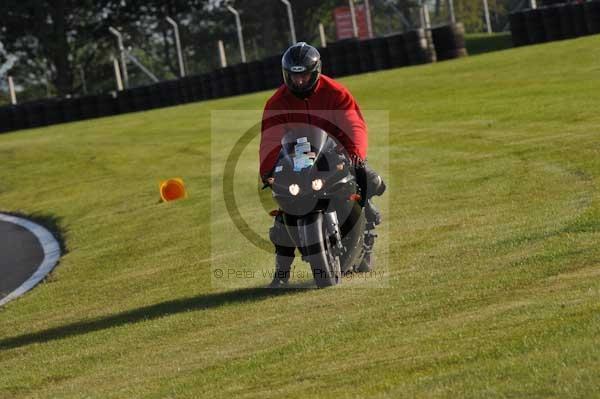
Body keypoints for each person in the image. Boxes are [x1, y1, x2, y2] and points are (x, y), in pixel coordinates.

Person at [260, 42, 386, 287]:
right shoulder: (277, 102)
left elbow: (353, 123)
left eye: (304, 75)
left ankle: (367, 232)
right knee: (285, 204)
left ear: (315, 72)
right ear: (286, 74)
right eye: (294, 76)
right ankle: (281, 273)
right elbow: (270, 137)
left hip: (336, 149)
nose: (298, 81)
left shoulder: (335, 92)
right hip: (299, 155)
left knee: (366, 179)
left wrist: (356, 153)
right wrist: (268, 168)